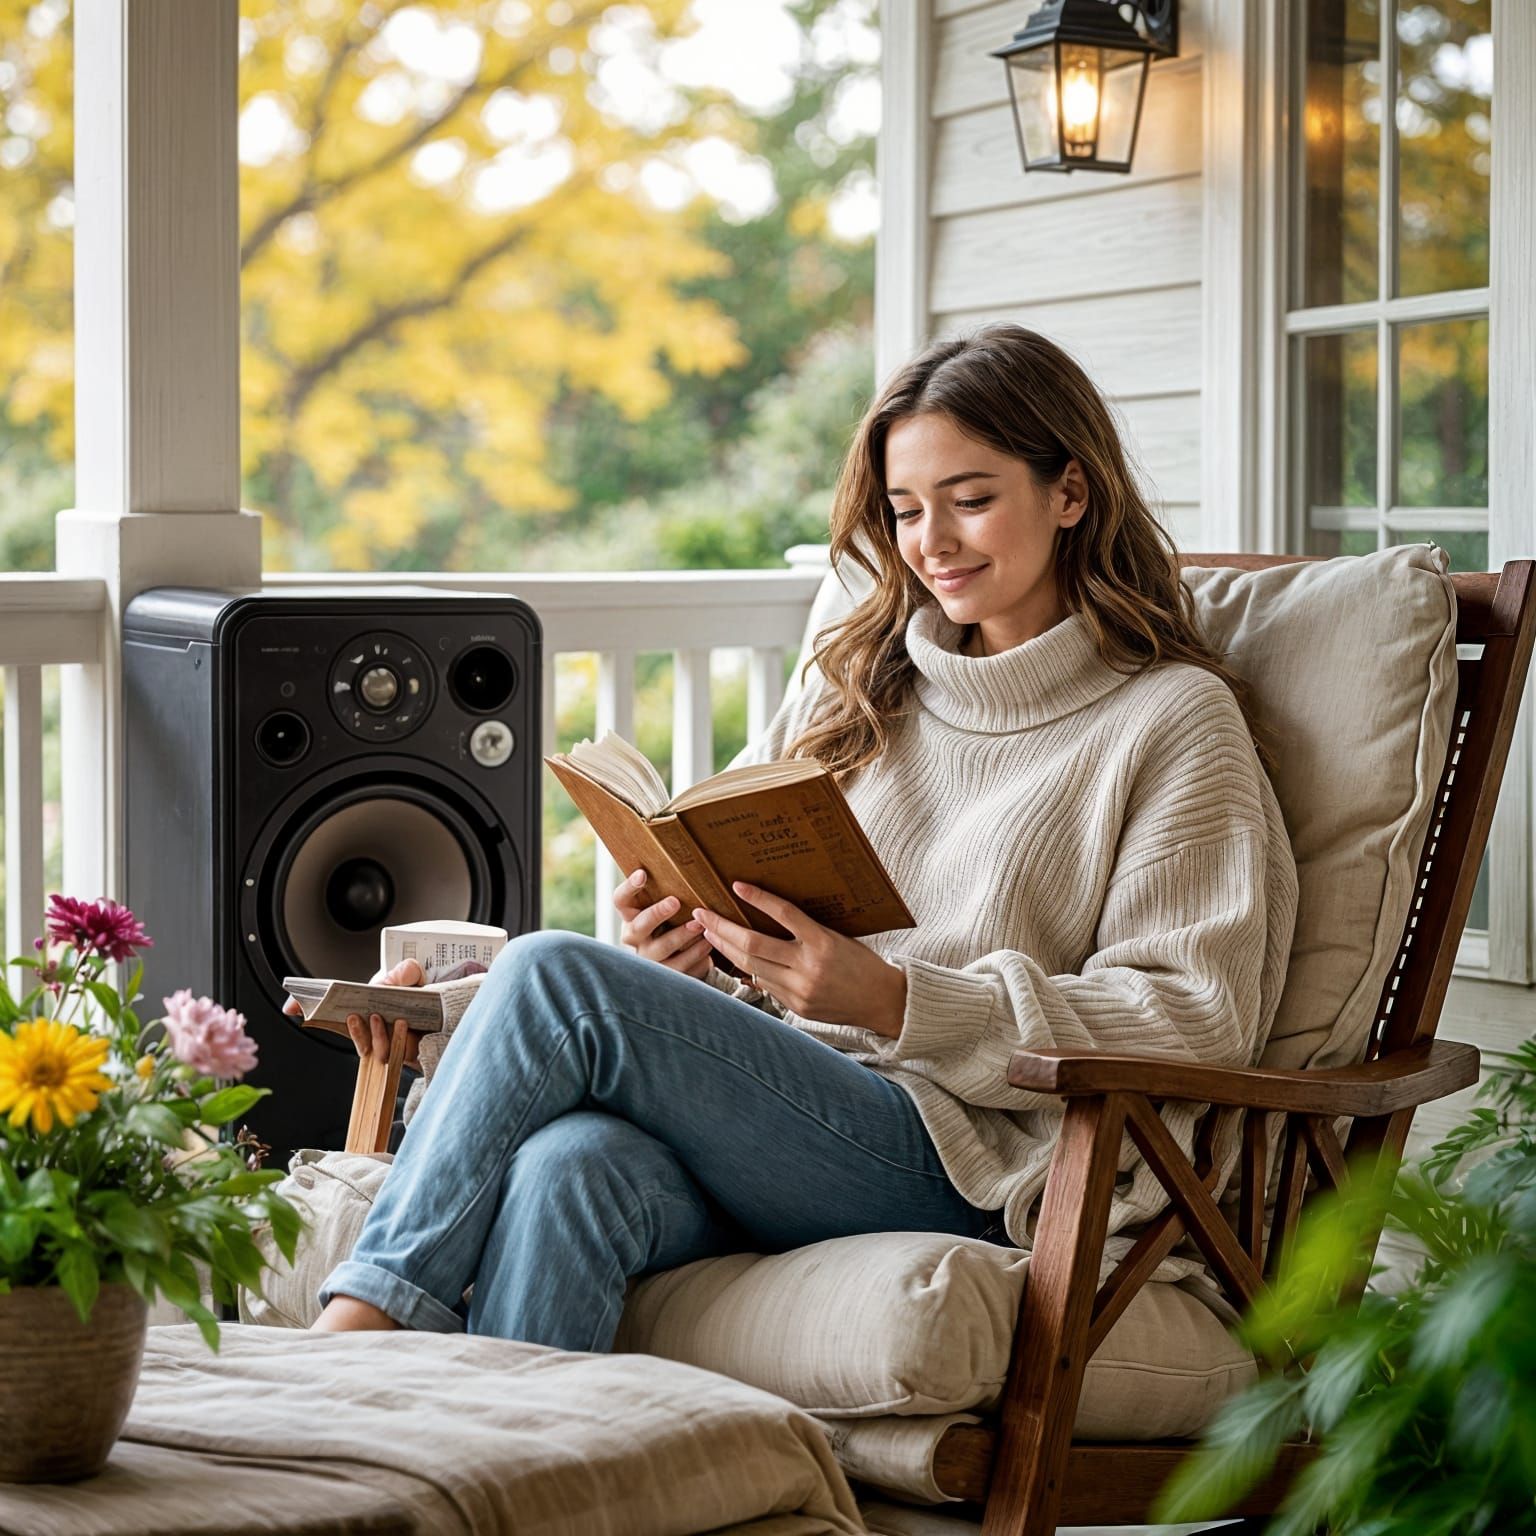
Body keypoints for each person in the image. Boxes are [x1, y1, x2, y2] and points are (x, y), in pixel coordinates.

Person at [310, 324, 1299, 1346]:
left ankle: (361, 1325)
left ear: (1070, 494)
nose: (933, 543)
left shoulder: (1171, 721)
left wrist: (900, 1000)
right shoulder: (865, 684)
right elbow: (751, 930)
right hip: (790, 1112)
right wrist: (689, 951)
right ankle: (500, 1489)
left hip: (975, 1155)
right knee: (572, 1169)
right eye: (907, 511)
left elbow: (1192, 1016)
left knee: (557, 976)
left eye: (971, 499)